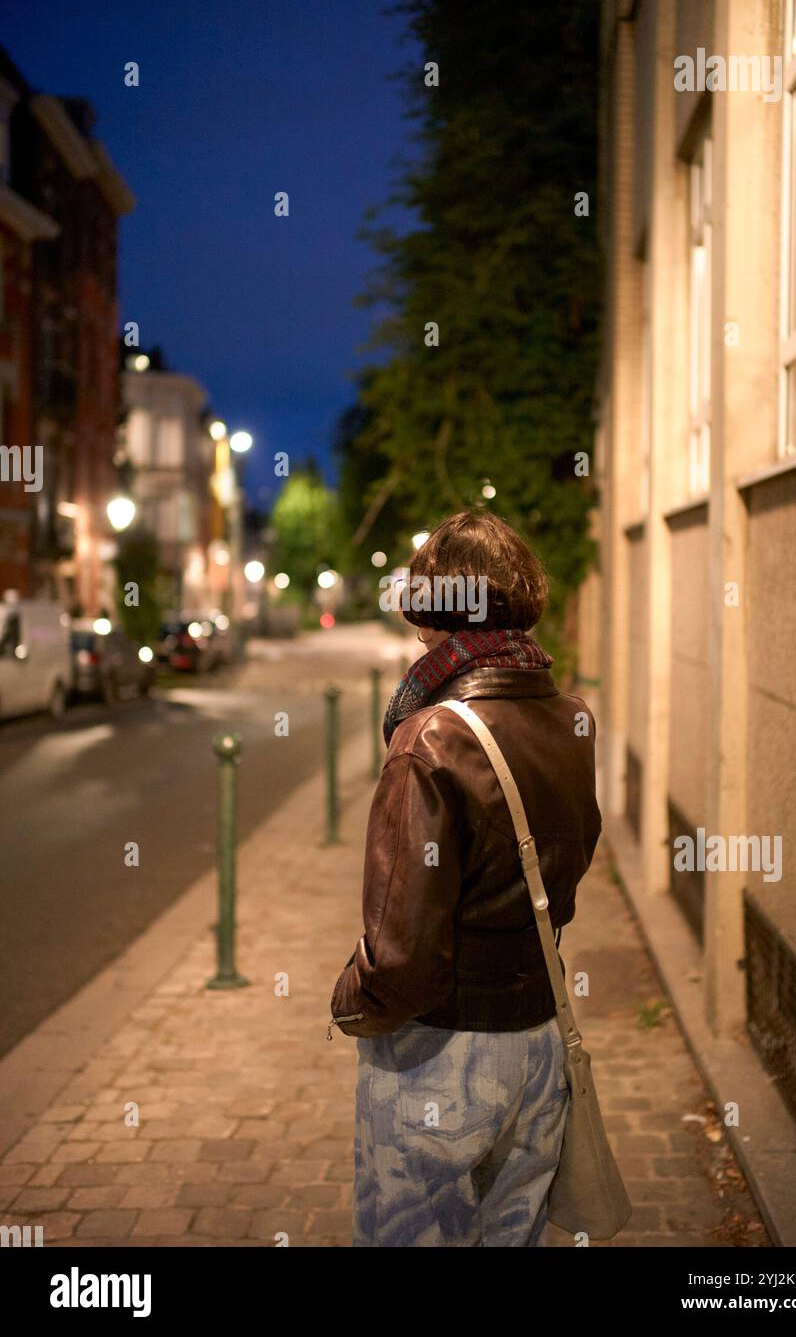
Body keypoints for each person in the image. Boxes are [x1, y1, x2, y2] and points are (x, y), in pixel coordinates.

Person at [329, 509, 603, 1247]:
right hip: (539, 1043)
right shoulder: (572, 720)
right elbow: (571, 864)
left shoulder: (430, 738)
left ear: (436, 616)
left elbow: (402, 955)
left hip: (439, 1055)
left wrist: (350, 997)